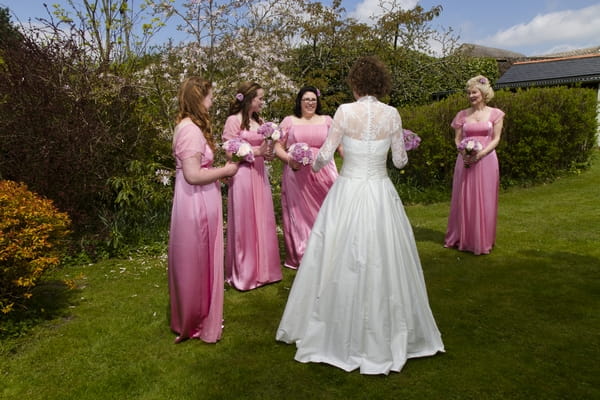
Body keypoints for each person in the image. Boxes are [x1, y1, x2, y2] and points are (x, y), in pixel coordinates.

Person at [276, 56, 444, 375]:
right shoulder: (391, 114)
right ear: (380, 84)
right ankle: (389, 330)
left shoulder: (343, 112)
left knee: (338, 255)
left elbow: (324, 156)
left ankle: (332, 326)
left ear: (355, 83)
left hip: (348, 190)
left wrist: (308, 162)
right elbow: (399, 162)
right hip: (380, 192)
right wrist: (402, 143)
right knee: (385, 257)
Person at [168, 76, 240, 343]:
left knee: (202, 259)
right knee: (196, 259)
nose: (212, 100)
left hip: (200, 198)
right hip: (195, 201)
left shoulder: (192, 127)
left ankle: (200, 312)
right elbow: (193, 175)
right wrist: (227, 170)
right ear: (198, 98)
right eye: (209, 95)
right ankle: (196, 319)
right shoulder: (189, 130)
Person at [222, 81, 282, 290]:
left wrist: (270, 148)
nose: (262, 101)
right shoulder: (233, 121)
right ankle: (245, 273)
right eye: (260, 98)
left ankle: (265, 270)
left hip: (259, 174)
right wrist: (255, 152)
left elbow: (267, 153)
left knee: (262, 219)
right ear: (248, 99)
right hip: (242, 175)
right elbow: (229, 151)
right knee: (245, 220)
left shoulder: (261, 122)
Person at [274, 86, 341, 269]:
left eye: (313, 99)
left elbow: (339, 145)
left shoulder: (327, 120)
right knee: (299, 216)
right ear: (300, 102)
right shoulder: (289, 121)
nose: (310, 103)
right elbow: (277, 147)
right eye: (306, 99)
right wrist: (289, 160)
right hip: (297, 175)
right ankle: (302, 256)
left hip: (324, 174)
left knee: (326, 213)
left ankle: (327, 254)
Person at [444, 75, 505, 255]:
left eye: (474, 92)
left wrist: (481, 153)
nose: (471, 96)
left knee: (485, 199)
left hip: (486, 160)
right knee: (463, 198)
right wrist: (464, 153)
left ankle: (482, 239)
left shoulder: (496, 114)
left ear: (483, 93)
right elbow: (457, 139)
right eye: (469, 93)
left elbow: (496, 138)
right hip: (465, 162)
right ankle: (461, 237)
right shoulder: (462, 115)